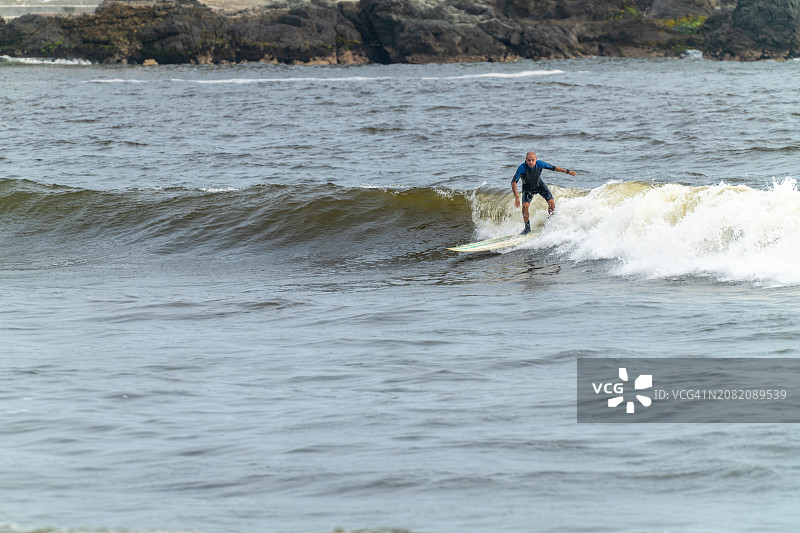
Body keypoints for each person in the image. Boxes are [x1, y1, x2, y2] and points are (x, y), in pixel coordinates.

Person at [511, 151, 577, 235]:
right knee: (525, 206)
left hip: (539, 185)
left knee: (551, 202)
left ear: (536, 159)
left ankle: (551, 223)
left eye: (532, 160)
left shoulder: (540, 164)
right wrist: (517, 196)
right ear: (526, 160)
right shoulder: (522, 168)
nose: (531, 162)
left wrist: (567, 171)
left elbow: (553, 168)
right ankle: (527, 228)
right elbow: (513, 182)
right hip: (527, 188)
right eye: (529, 160)